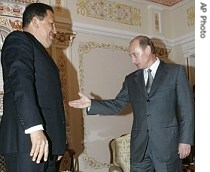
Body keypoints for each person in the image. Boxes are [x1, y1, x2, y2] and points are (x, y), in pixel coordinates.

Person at [69, 35, 195, 172]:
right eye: (131, 56)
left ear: (147, 50)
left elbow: (187, 109)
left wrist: (186, 140)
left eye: (135, 55)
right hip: (139, 149)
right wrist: (91, 104)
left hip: (166, 146)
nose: (133, 60)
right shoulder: (131, 80)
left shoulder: (175, 72)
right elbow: (117, 104)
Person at [0, 3, 66, 172]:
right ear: (36, 21)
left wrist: (57, 143)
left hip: (46, 145)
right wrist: (35, 130)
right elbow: (21, 84)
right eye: (52, 23)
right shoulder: (18, 39)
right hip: (27, 140)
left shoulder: (43, 54)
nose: (55, 30)